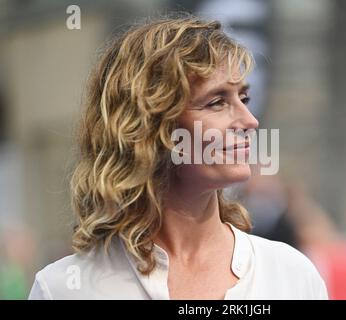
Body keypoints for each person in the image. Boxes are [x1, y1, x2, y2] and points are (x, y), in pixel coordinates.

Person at [28, 14, 327, 300]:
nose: (250, 121)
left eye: (244, 98)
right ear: (154, 125)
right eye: (217, 102)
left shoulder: (291, 275)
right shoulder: (65, 288)